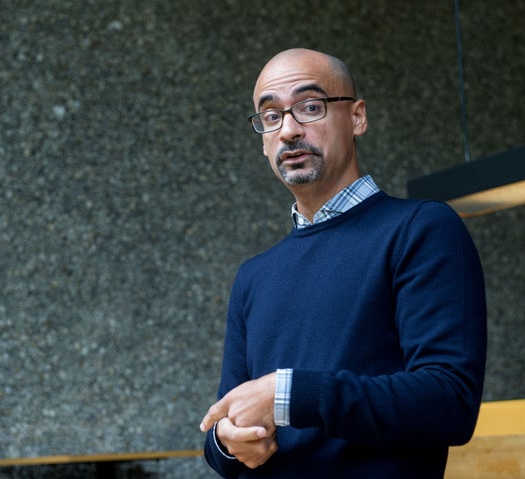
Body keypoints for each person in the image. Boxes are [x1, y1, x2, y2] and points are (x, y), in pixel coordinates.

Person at [199, 48, 487, 478]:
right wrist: (226, 441)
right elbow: (225, 423)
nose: (289, 130)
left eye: (310, 107)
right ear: (262, 140)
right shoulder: (254, 276)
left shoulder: (421, 229)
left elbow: (450, 401)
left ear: (357, 117)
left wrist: (289, 394)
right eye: (271, 116)